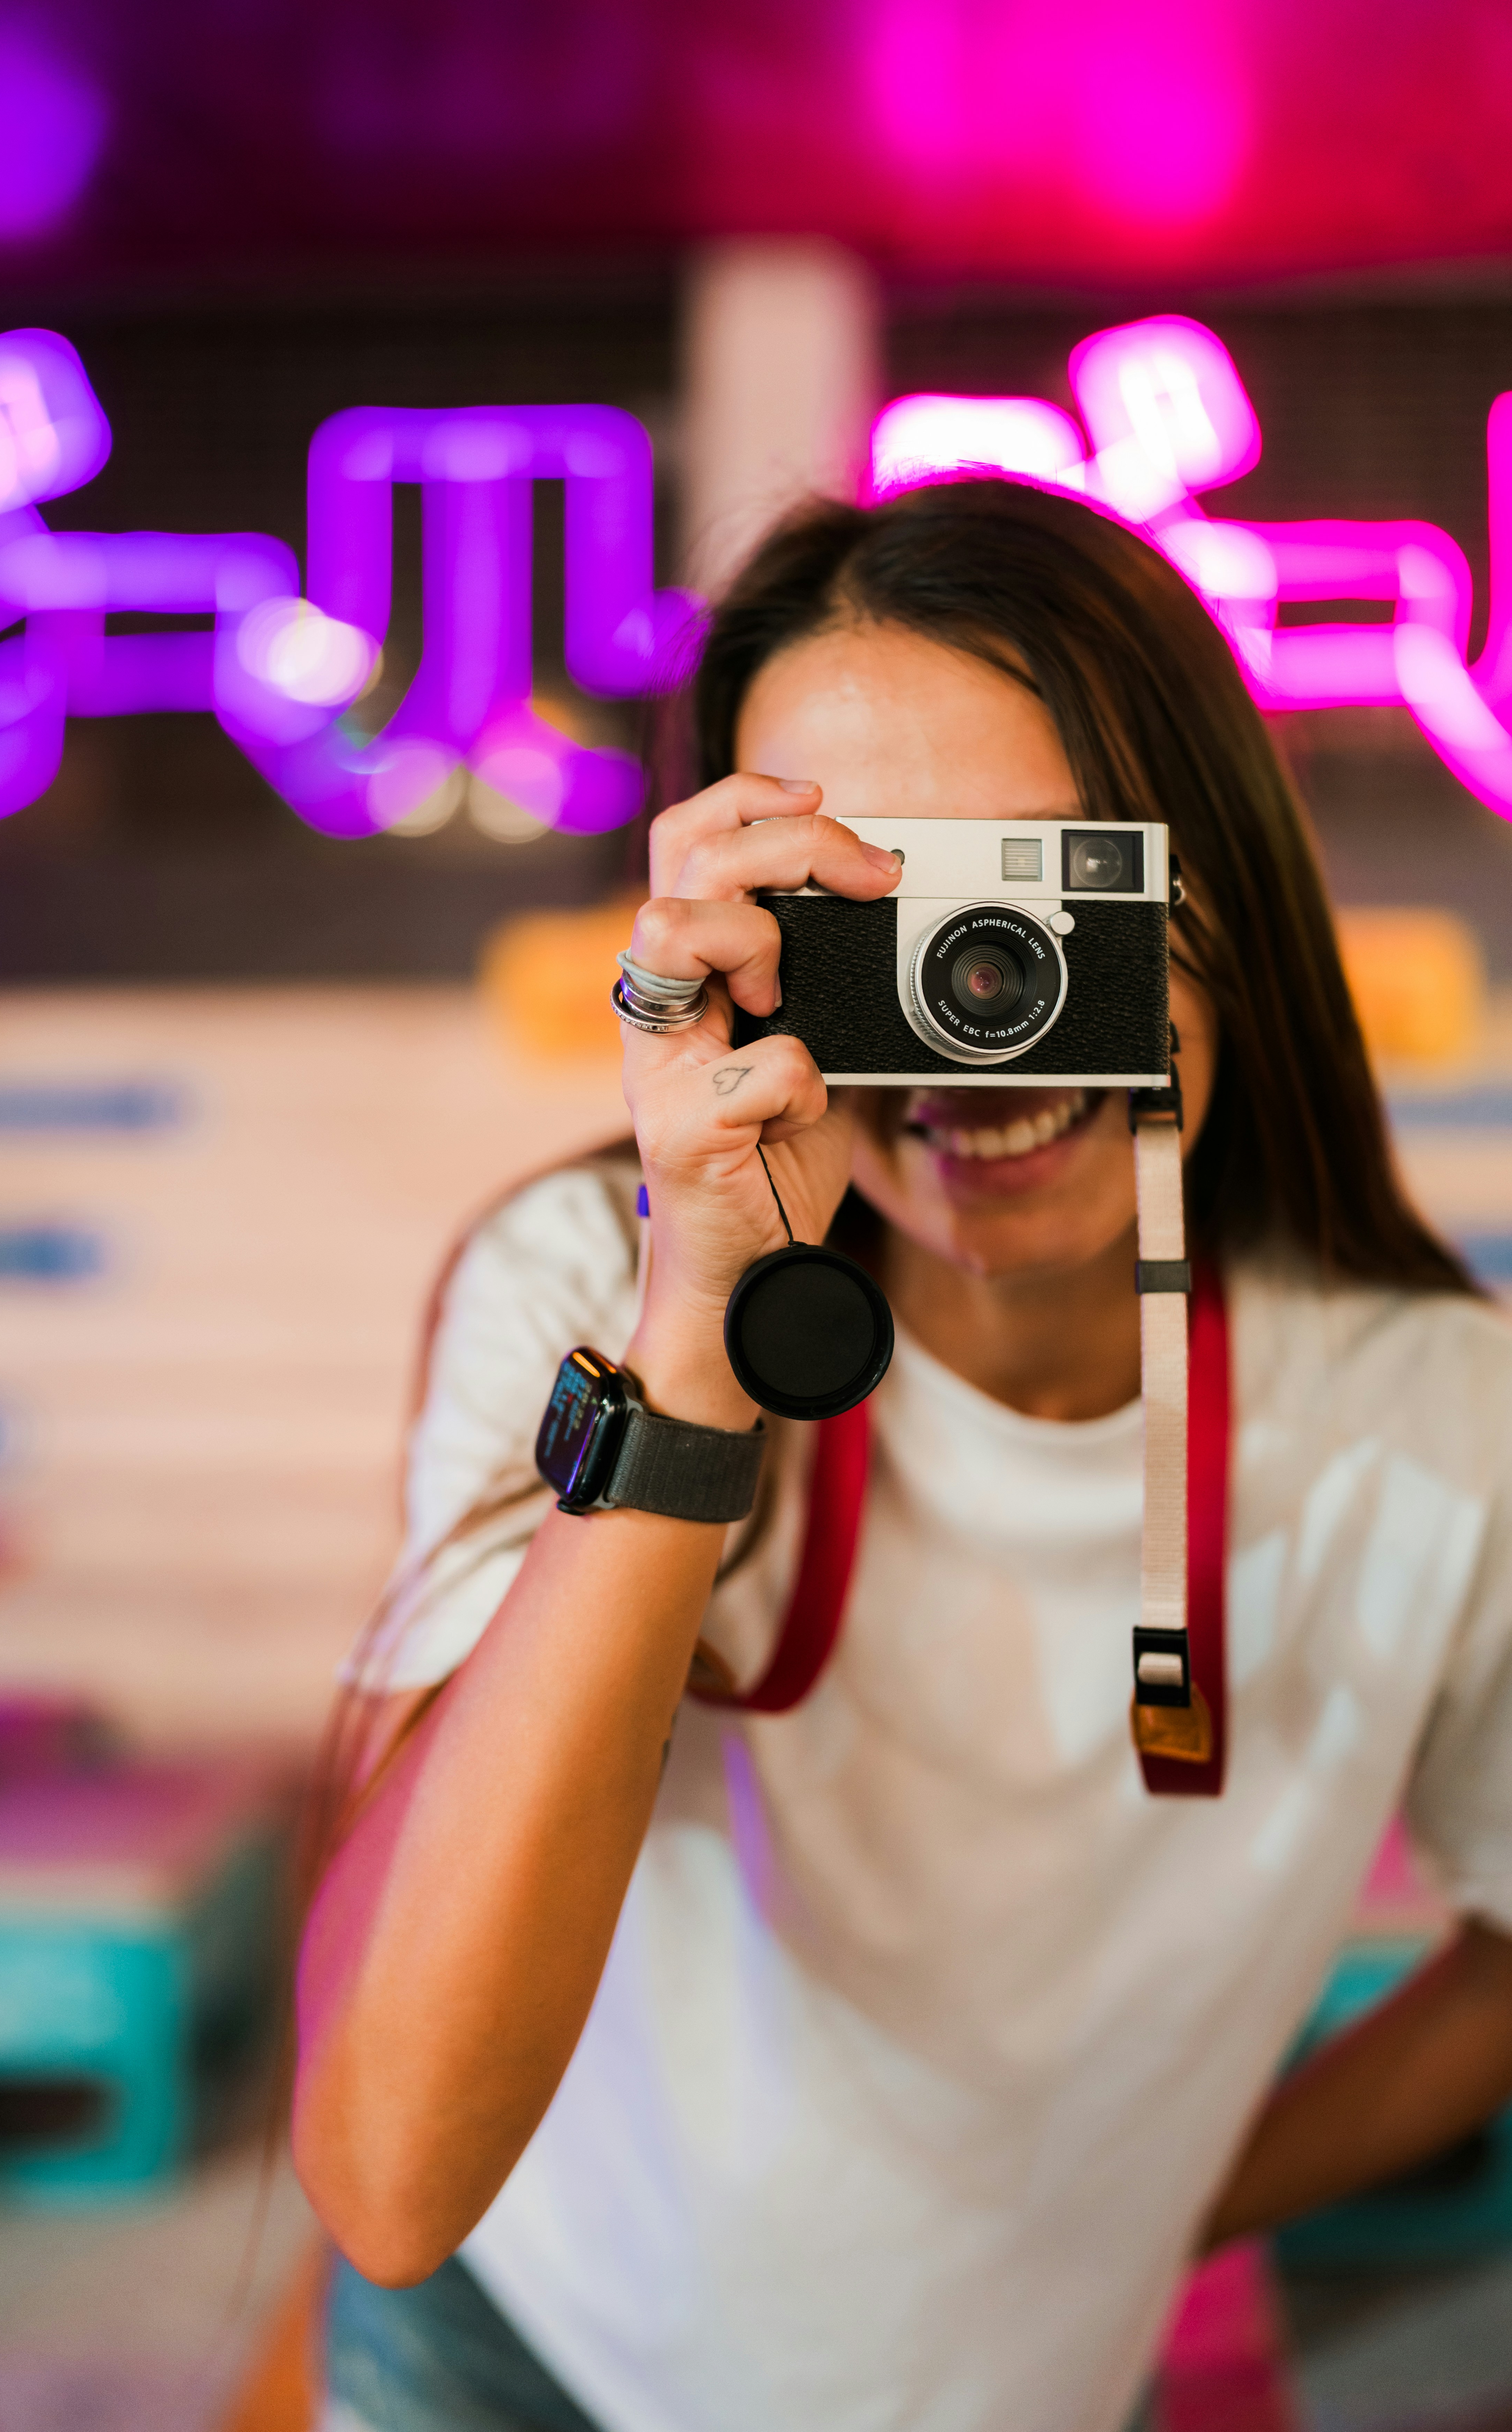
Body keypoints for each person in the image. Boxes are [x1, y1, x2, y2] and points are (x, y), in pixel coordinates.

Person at [295, 477, 1512, 2432]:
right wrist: (704, 1325)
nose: (976, 1021)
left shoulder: (1440, 1426)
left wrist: (1144, 2210)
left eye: (1040, 897)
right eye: (871, 916)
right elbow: (391, 2173)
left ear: (1221, 896)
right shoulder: (584, 1286)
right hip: (523, 2350)